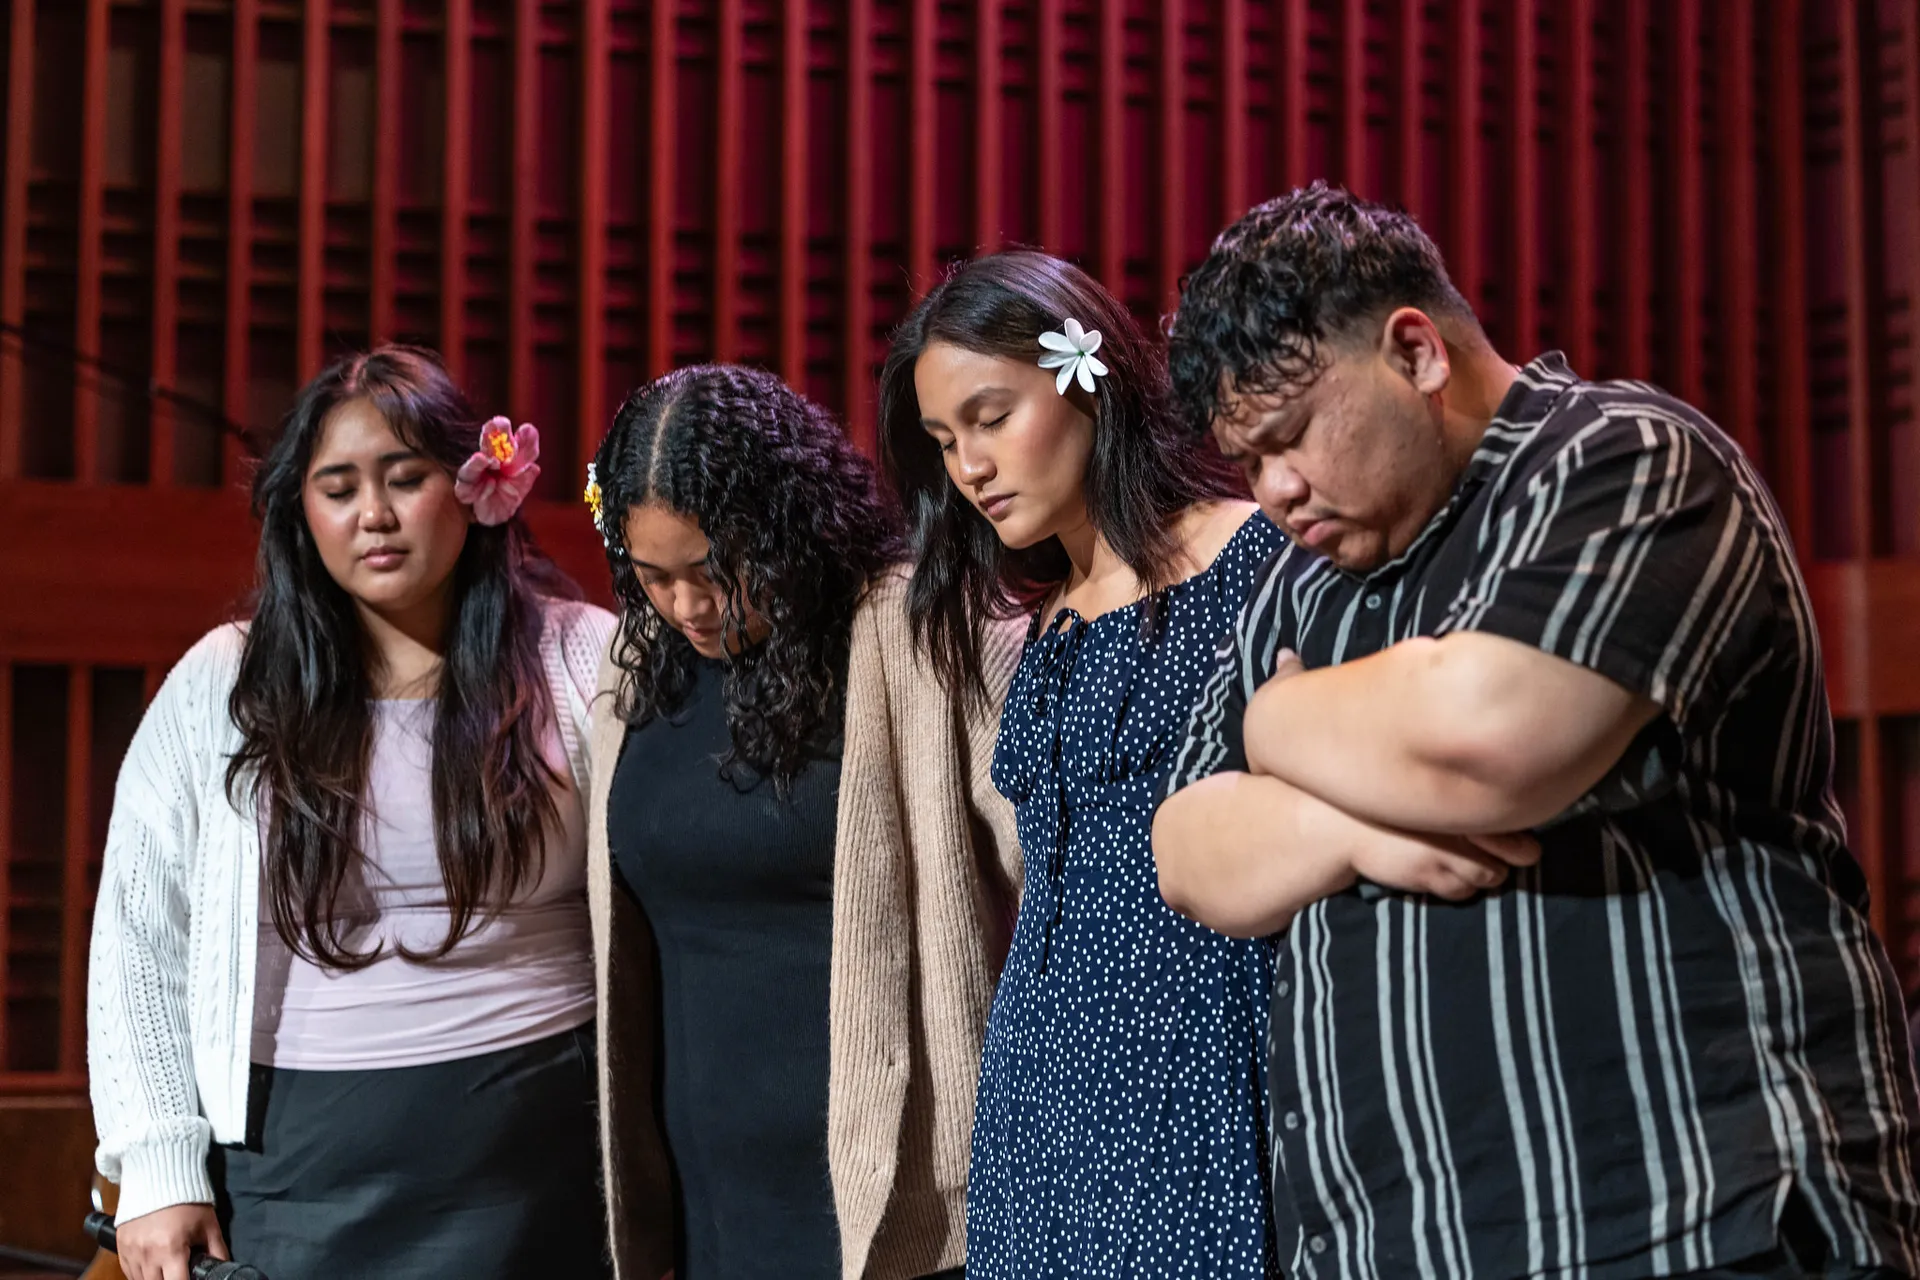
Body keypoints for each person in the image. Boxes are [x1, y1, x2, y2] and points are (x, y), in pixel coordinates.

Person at [1153, 182, 1920, 1279]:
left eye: (1293, 435)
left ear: (1414, 352)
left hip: (1694, 1211)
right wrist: (1359, 835)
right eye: (1248, 462)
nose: (1276, 489)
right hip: (1404, 1242)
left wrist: (1275, 720)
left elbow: (1490, 740)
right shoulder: (1292, 589)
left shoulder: (1619, 459)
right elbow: (1188, 851)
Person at [87, 346, 615, 1280]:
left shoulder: (581, 659)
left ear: (474, 486)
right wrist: (159, 1170)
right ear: (303, 512)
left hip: (539, 1151)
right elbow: (140, 930)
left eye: (405, 478)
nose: (374, 514)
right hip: (298, 1161)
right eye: (338, 488)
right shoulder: (225, 680)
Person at [877, 250, 1283, 1279]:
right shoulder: (1044, 620)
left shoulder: (1249, 559)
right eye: (943, 440)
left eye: (990, 416)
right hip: (1041, 1092)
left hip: (1201, 1064)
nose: (967, 466)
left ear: (1086, 377)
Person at [582, 363, 1024, 1280]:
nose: (690, 607)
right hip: (712, 1196)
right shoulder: (636, 672)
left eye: (715, 571)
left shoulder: (914, 629)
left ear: (788, 525)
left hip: (903, 1200)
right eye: (654, 577)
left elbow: (1049, 859)